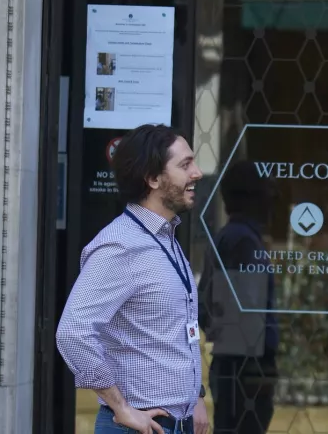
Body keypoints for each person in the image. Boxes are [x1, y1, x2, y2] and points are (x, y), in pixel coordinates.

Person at [56, 124, 212, 434]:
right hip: (138, 426)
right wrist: (120, 406)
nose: (197, 173)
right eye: (185, 164)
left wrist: (193, 396)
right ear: (153, 179)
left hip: (178, 422)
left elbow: (173, 333)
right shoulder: (120, 246)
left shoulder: (166, 237)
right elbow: (73, 333)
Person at [201, 161, 279, 434]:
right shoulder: (243, 242)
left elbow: (207, 308)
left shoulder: (230, 238)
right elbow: (244, 322)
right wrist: (257, 373)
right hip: (244, 371)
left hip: (238, 369)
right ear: (253, 197)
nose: (273, 200)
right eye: (268, 191)